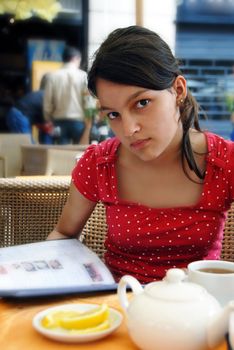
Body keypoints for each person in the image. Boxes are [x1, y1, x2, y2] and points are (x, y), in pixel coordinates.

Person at [47, 26, 234, 284]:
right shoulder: (99, 164)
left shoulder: (226, 163)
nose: (129, 129)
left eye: (142, 103)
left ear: (178, 90)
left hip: (200, 313)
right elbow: (64, 234)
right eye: (113, 114)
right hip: (118, 306)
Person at [43, 46, 93, 144]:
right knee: (79, 155)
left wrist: (48, 119)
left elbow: (47, 103)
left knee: (60, 154)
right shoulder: (83, 76)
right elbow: (89, 101)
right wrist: (89, 121)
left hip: (58, 122)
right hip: (78, 122)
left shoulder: (52, 77)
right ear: (76, 58)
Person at [5, 74, 53, 144]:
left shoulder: (43, 95)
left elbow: (43, 124)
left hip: (17, 115)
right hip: (18, 116)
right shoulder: (47, 97)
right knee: (27, 145)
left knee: (29, 143)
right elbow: (46, 123)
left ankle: (46, 151)